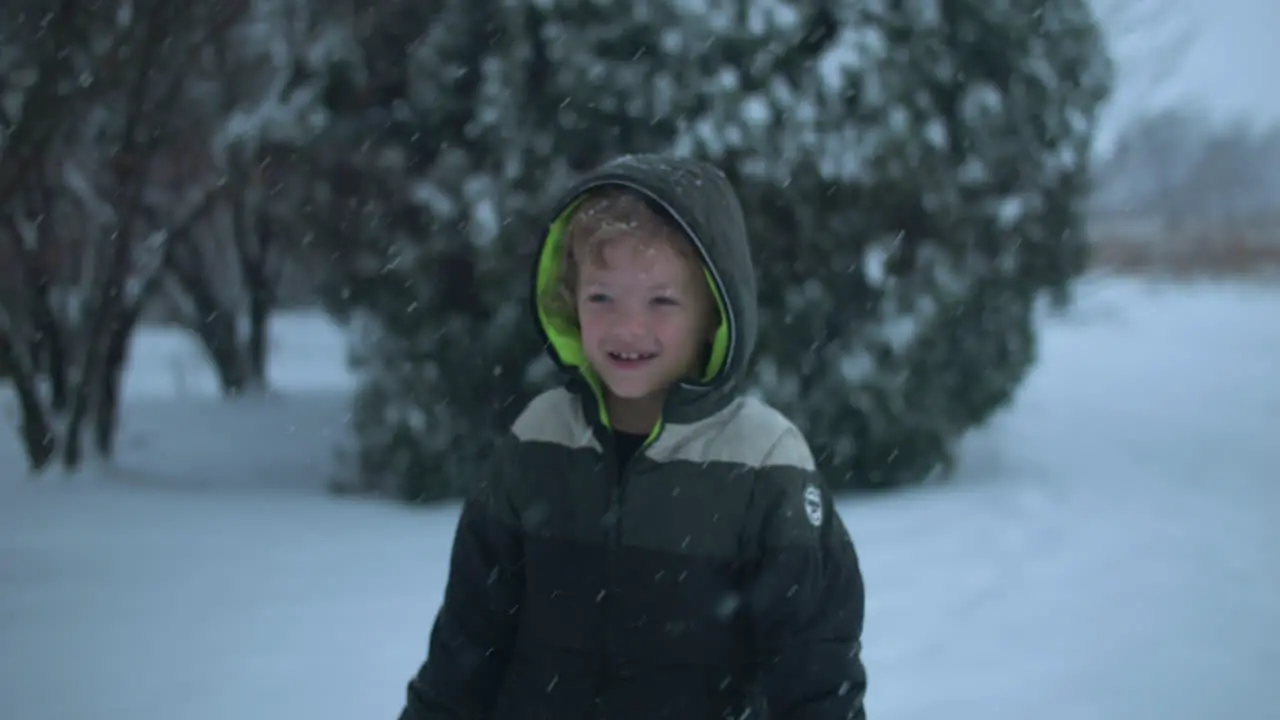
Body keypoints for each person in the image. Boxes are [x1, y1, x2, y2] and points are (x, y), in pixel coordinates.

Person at [398, 154, 868, 720]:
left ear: (713, 312)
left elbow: (814, 673)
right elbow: (465, 645)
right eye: (602, 297)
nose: (627, 327)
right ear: (570, 300)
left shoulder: (764, 462)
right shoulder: (540, 440)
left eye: (662, 300)